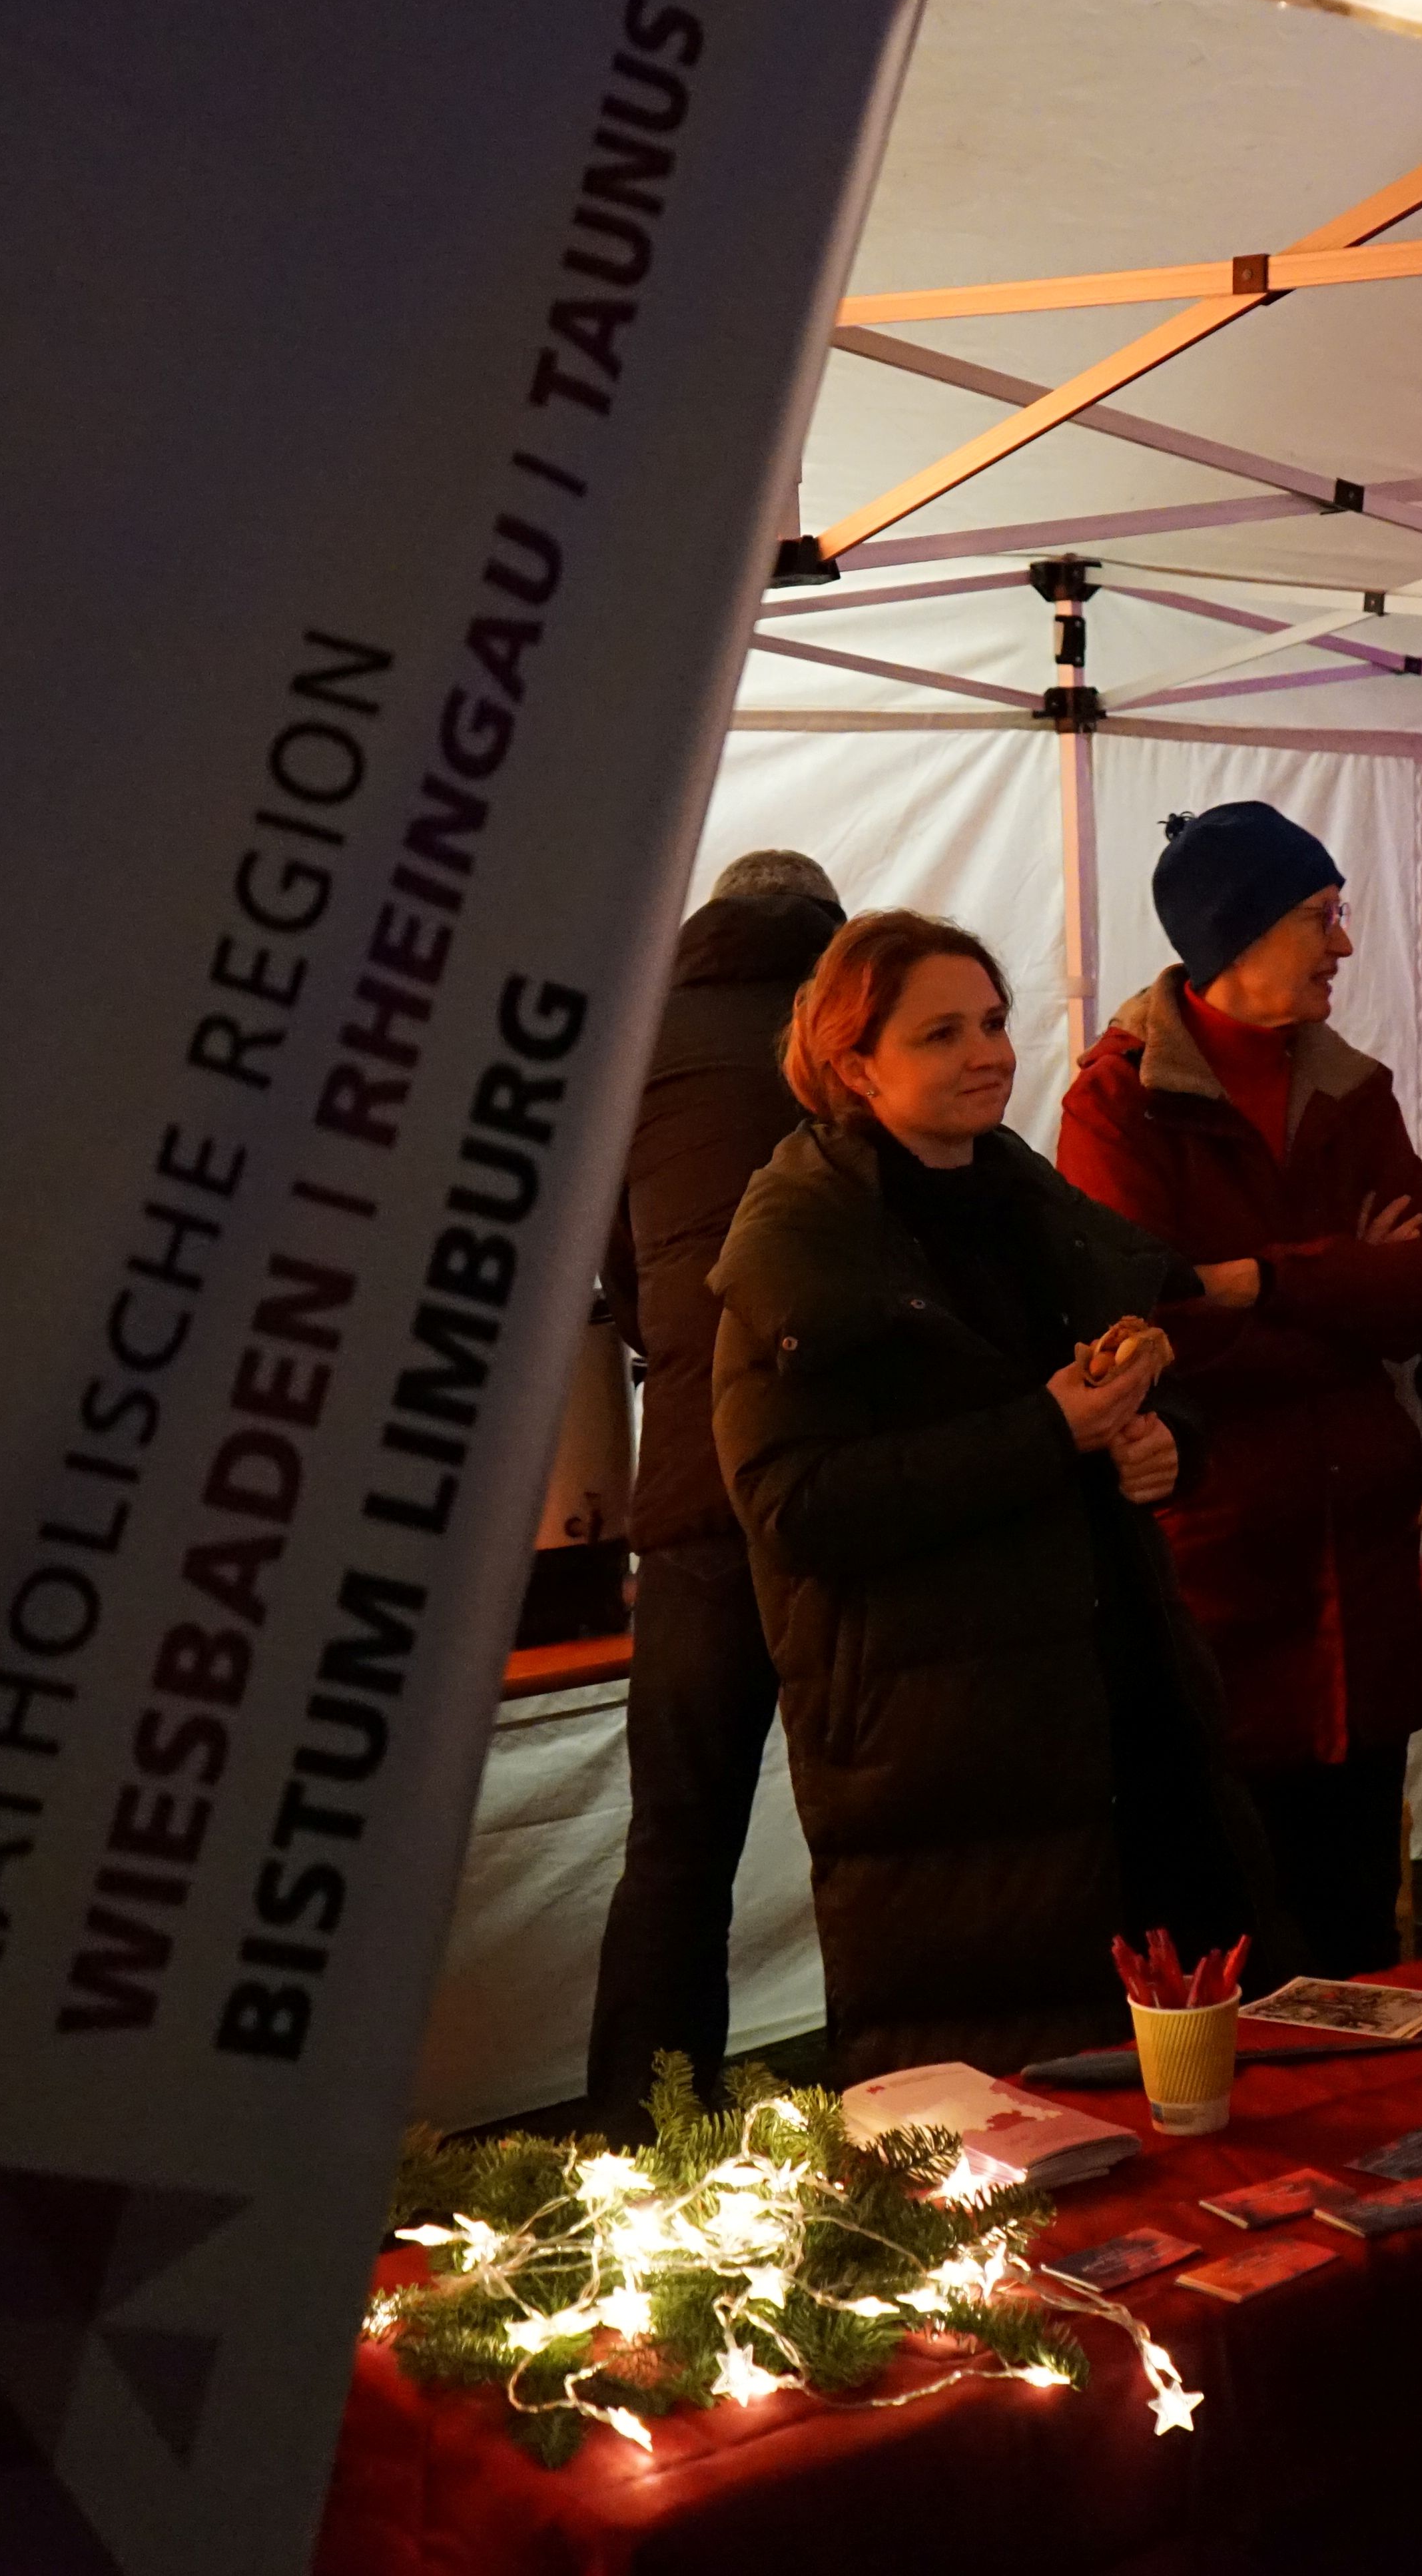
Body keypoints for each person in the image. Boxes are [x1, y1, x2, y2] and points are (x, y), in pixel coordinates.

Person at [712, 910, 1287, 2077]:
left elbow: (1136, 1384)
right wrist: (1048, 1432)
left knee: (1183, 2083)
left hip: (1119, 1717)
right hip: (947, 1752)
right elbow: (796, 1507)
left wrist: (1164, 1446)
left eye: (991, 1023)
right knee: (1008, 2104)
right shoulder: (803, 1242)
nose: (987, 1054)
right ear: (854, 1065)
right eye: (941, 1035)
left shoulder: (1033, 1206)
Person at [1057, 803, 1422, 1980]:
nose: (1345, 945)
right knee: (1230, 1959)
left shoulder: (1349, 1089)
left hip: (1362, 1596)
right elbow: (1151, 1329)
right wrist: (1343, 1287)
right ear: (1235, 935)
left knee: (1361, 1949)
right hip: (1221, 1601)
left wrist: (1256, 1280)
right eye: (1319, 917)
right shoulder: (1118, 1105)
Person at [583, 850, 841, 2114]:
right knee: (877, 1829)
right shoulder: (854, 1029)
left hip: (694, 1484)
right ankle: (905, 2115)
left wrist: (687, 1353)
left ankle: (645, 2131)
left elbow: (620, 1281)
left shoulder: (638, 1036)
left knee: (677, 1843)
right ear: (826, 928)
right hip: (849, 1479)